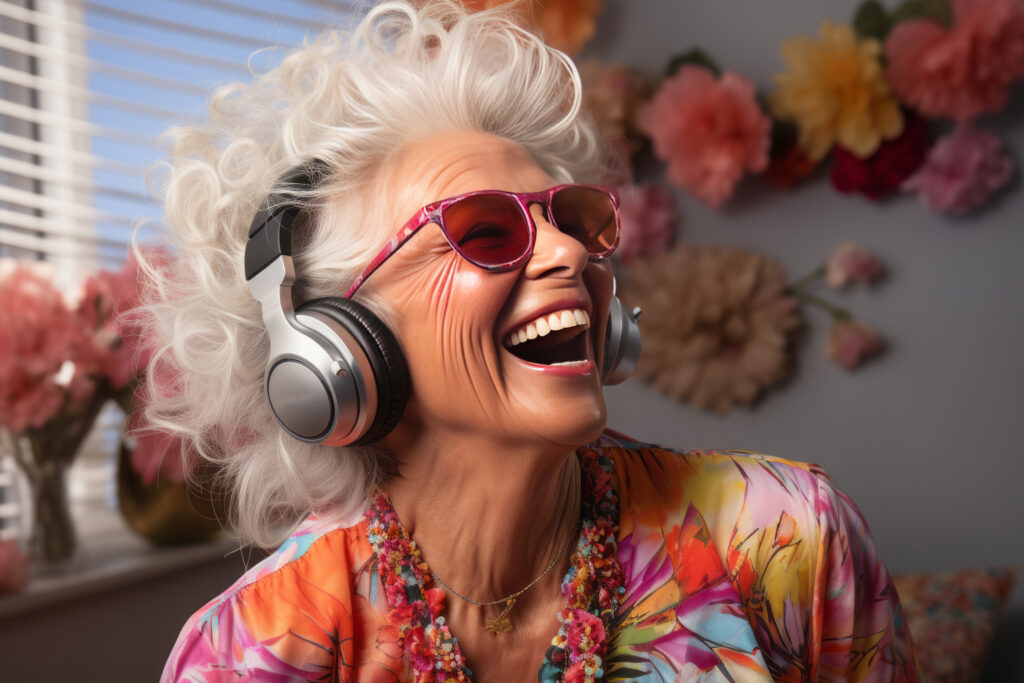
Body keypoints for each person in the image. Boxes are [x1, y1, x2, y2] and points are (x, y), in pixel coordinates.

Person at [151, 2, 918, 680]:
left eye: (575, 220)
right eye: (486, 232)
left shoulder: (790, 537)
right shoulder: (251, 652)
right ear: (333, 346)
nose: (573, 254)